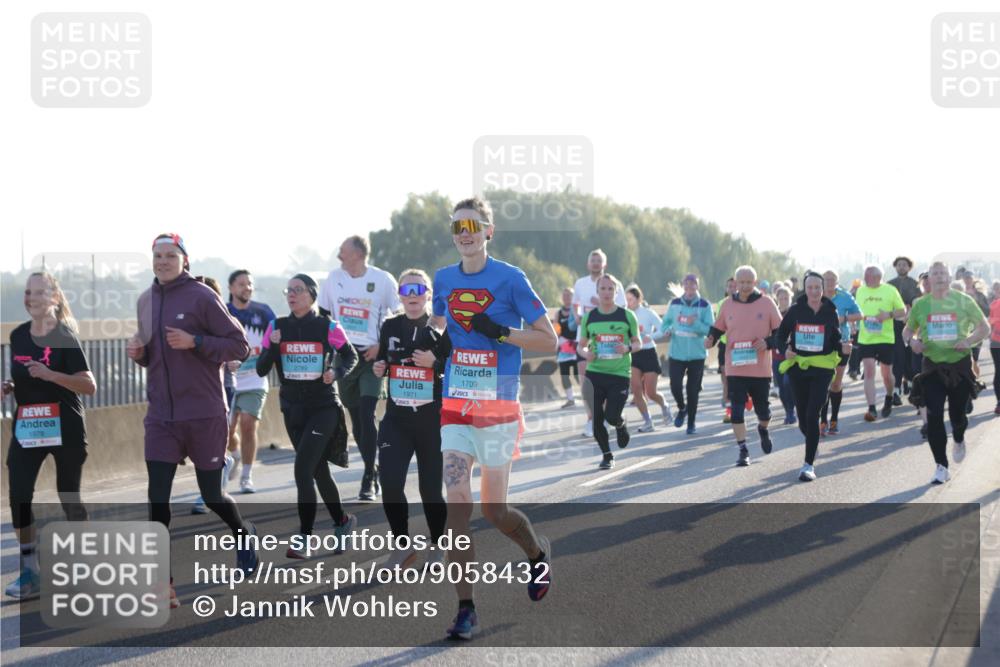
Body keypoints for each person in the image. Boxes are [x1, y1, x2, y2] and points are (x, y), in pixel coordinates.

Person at [431, 197, 556, 640]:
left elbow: (550, 341)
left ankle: (537, 553)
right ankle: (466, 608)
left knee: (494, 509)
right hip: (456, 405)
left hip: (499, 407)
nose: (464, 232)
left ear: (489, 231)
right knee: (458, 506)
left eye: (472, 224)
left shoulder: (511, 278)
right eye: (456, 226)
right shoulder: (443, 278)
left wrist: (501, 332)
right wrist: (428, 343)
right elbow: (439, 326)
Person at [127, 234, 258, 608]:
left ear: (185, 260)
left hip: (203, 413)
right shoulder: (145, 301)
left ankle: (242, 533)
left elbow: (238, 346)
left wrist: (196, 341)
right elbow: (153, 356)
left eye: (170, 255)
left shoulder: (202, 297)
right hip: (161, 417)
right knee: (157, 499)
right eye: (157, 255)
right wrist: (139, 353)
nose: (163, 261)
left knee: (213, 494)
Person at [4, 272, 95, 600]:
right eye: (28, 292)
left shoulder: (65, 336)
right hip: (29, 424)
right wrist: (11, 387)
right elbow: (23, 372)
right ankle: (30, 572)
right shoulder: (17, 335)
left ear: (54, 298)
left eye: (39, 292)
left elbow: (88, 384)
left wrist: (50, 374)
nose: (31, 298)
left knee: (68, 495)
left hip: (65, 426)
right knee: (19, 494)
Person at [256, 273, 359, 558]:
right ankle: (342, 522)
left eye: (298, 290)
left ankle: (304, 538)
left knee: (302, 469)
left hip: (323, 407)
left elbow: (351, 357)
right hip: (292, 409)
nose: (291, 294)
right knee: (317, 470)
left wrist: (335, 372)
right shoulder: (276, 327)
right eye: (288, 290)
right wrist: (274, 345)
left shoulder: (328, 327)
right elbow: (261, 369)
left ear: (311, 294)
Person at [372, 269, 450, 570]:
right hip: (397, 418)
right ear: (400, 296)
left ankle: (437, 544)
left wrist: (437, 363)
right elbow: (386, 361)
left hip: (431, 419)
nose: (413, 295)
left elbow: (456, 366)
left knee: (430, 490)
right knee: (390, 484)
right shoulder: (390, 325)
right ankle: (402, 546)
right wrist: (381, 367)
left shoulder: (442, 327)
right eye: (407, 290)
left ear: (428, 294)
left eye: (419, 289)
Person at [319, 235, 401, 501]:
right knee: (356, 419)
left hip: (371, 356)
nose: (339, 256)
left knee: (367, 414)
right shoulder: (333, 279)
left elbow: (398, 315)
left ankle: (369, 475)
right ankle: (372, 464)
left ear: (358, 254)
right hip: (346, 357)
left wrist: (382, 346)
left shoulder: (383, 280)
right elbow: (323, 316)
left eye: (342, 252)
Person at [904, 262, 990, 484]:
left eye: (943, 272)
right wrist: (912, 341)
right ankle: (941, 466)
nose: (939, 276)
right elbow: (908, 330)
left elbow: (984, 328)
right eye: (935, 273)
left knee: (957, 416)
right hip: (932, 366)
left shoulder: (963, 300)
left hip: (959, 365)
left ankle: (959, 438)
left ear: (950, 277)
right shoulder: (921, 305)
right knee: (933, 417)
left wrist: (968, 340)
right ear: (928, 279)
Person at [776, 272, 852, 481]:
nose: (814, 291)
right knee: (802, 418)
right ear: (805, 288)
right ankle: (813, 440)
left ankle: (808, 465)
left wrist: (843, 347)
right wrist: (785, 350)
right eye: (810, 287)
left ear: (823, 288)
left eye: (818, 287)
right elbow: (780, 335)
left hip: (822, 368)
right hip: (799, 368)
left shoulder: (830, 310)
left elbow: (835, 338)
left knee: (812, 414)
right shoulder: (795, 311)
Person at [705, 265, 783, 466]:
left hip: (760, 369)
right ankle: (743, 449)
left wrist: (767, 343)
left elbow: (781, 333)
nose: (745, 286)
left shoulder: (767, 303)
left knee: (763, 412)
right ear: (735, 283)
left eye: (749, 282)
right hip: (735, 367)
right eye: (741, 282)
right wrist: (711, 339)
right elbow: (718, 327)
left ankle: (763, 429)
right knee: (737, 411)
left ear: (755, 283)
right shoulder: (728, 304)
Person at [578, 276, 641, 468]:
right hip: (595, 373)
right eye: (603, 288)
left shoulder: (627, 316)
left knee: (611, 416)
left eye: (610, 289)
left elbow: (638, 343)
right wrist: (586, 354)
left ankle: (620, 424)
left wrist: (627, 348)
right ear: (597, 291)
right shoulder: (589, 317)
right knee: (597, 418)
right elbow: (580, 346)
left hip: (619, 374)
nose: (606, 292)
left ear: (616, 292)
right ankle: (607, 456)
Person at [225, 269, 277, 493]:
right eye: (241, 284)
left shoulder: (263, 312)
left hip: (255, 379)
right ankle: (235, 456)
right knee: (226, 431)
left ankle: (246, 475)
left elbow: (277, 338)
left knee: (248, 424)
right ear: (231, 288)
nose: (246, 287)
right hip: (228, 380)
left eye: (249, 284)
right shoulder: (224, 311)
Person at [572, 249, 626, 437]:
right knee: (585, 381)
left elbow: (623, 309)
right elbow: (574, 303)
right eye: (592, 260)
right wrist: (577, 317)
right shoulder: (580, 283)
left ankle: (605, 415)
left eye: (599, 260)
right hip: (584, 338)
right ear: (588, 264)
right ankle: (591, 418)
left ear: (605, 264)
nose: (595, 263)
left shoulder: (614, 283)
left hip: (607, 341)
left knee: (604, 382)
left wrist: (602, 304)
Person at [659, 273, 714, 434]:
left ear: (698, 286)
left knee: (692, 390)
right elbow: (665, 323)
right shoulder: (675, 303)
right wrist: (667, 330)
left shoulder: (705, 305)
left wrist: (694, 322)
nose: (690, 288)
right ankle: (682, 408)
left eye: (693, 285)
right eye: (687, 285)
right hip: (677, 352)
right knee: (675, 386)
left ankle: (691, 423)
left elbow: (710, 329)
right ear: (683, 286)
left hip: (697, 355)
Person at [854, 265, 905, 421]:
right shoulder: (861, 291)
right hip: (866, 338)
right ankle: (872, 408)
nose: (865, 278)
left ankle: (889, 396)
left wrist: (888, 314)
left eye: (868, 276)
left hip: (885, 338)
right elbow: (856, 309)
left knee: (886, 374)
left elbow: (902, 311)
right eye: (865, 275)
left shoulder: (890, 290)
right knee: (869, 371)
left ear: (877, 277)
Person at [819, 270, 862, 436]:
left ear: (837, 281)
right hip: (820, 344)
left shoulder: (845, 297)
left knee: (836, 384)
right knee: (824, 383)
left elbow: (860, 315)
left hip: (842, 343)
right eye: (826, 279)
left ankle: (834, 419)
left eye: (832, 279)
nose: (829, 282)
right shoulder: (816, 296)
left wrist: (844, 318)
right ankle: (823, 420)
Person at [625, 285, 671, 432]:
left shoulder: (647, 313)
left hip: (649, 352)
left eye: (630, 299)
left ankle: (664, 404)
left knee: (651, 392)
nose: (628, 303)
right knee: (637, 390)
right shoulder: (624, 315)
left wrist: (650, 337)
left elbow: (663, 329)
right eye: (626, 300)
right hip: (633, 354)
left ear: (639, 299)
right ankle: (647, 421)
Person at [888, 256, 922, 405]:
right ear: (895, 267)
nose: (902, 267)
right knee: (898, 357)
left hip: (912, 324)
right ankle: (895, 391)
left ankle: (911, 385)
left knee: (910, 358)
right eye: (899, 265)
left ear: (909, 267)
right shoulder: (889, 285)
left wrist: (910, 311)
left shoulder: (915, 284)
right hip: (894, 325)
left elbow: (919, 303)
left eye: (905, 265)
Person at [771, 286, 796, 424]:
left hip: (792, 356)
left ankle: (792, 410)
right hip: (777, 356)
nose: (783, 300)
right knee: (781, 386)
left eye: (786, 298)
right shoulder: (773, 314)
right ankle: (788, 411)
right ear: (777, 299)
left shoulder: (794, 313)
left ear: (790, 298)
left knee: (788, 383)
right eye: (781, 298)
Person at [715, 277, 737, 423]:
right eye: (729, 286)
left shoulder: (744, 303)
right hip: (724, 345)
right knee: (725, 377)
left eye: (734, 286)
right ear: (726, 288)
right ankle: (728, 411)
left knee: (737, 379)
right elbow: (718, 324)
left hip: (739, 345)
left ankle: (736, 405)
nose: (732, 289)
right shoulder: (721, 304)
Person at [554, 287, 580, 408]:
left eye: (569, 295)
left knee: (577, 373)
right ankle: (570, 399)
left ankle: (588, 394)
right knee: (564, 375)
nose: (566, 298)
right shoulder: (558, 313)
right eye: (564, 296)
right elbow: (556, 330)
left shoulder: (577, 311)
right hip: (564, 348)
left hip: (577, 346)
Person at [990, 290, 1000, 415]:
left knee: (998, 371)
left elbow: (991, 322)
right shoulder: (995, 304)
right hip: (997, 342)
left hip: (995, 342)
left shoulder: (994, 304)